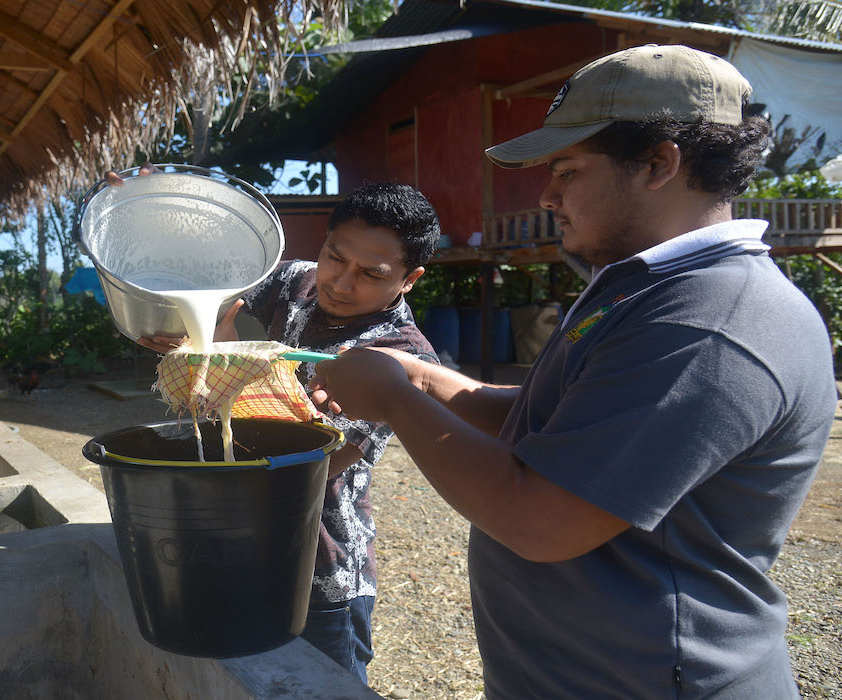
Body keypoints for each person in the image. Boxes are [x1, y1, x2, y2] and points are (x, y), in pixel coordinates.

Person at [307, 45, 836, 698]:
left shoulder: (713, 320)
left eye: (568, 170)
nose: (547, 194)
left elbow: (542, 521)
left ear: (659, 163)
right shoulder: (644, 285)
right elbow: (569, 418)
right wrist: (427, 380)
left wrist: (394, 398)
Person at [136, 181, 446, 683]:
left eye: (371, 274)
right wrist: (152, 207)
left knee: (326, 686)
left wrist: (225, 361)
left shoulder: (399, 357)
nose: (340, 283)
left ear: (410, 279)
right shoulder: (300, 280)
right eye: (333, 256)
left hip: (320, 564)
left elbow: (311, 465)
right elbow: (213, 269)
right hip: (242, 542)